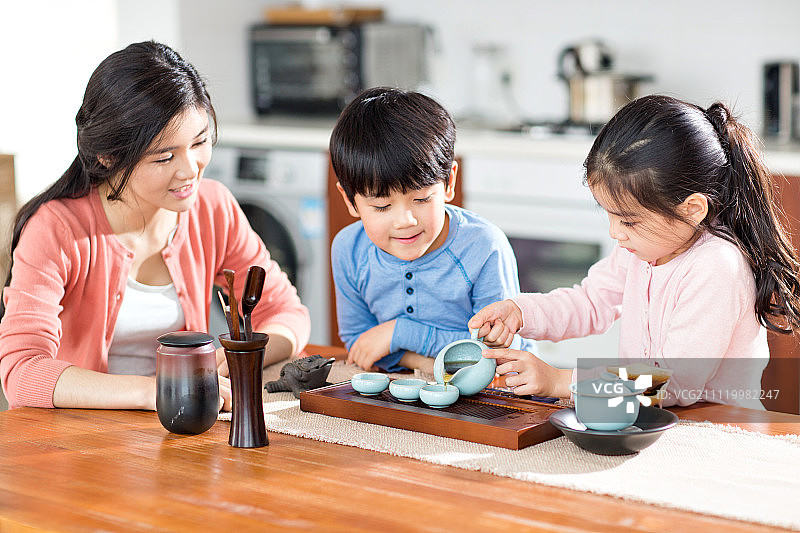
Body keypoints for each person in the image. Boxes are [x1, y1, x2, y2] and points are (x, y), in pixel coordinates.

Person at [0, 41, 311, 411]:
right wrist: (153, 391)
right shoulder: (57, 229)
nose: (191, 169)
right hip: (78, 443)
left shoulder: (212, 207)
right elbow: (21, 371)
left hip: (178, 431)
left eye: (199, 142)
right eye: (165, 156)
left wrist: (234, 357)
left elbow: (287, 313)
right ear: (108, 156)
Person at [469, 94, 800, 409]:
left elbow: (674, 383)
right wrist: (521, 312)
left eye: (628, 220)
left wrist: (562, 380)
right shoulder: (642, 248)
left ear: (692, 209)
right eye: (609, 215)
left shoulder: (716, 267)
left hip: (718, 432)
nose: (615, 233)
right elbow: (590, 302)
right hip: (652, 418)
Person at [329, 86, 534, 374]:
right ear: (350, 200)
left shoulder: (483, 246)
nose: (406, 220)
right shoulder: (348, 249)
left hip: (492, 395)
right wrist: (424, 363)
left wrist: (400, 334)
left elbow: (501, 353)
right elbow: (359, 344)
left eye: (422, 199)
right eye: (382, 207)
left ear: (449, 182)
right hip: (400, 393)